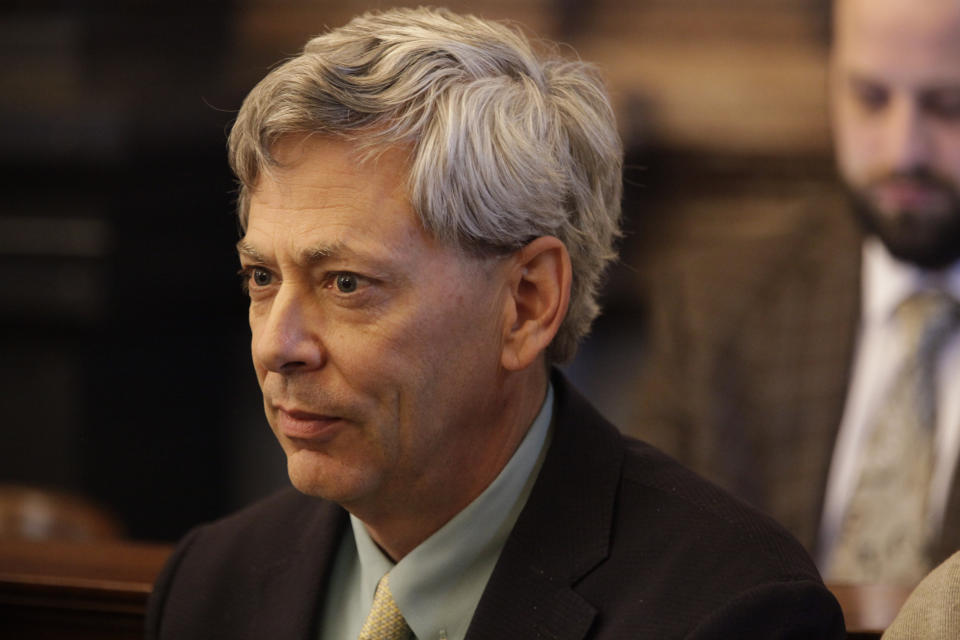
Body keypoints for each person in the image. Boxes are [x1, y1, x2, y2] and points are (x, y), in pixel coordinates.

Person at [145, 7, 844, 639]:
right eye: (262, 278)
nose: (277, 346)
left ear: (528, 304)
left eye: (346, 284)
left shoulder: (730, 611)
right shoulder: (209, 585)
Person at [632, 0, 960, 587]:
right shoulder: (718, 306)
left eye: (947, 107)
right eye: (870, 97)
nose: (902, 151)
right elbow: (642, 571)